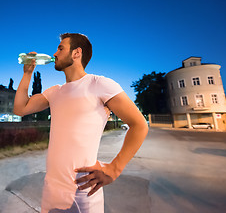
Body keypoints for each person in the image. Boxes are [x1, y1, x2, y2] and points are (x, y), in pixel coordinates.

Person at [14, 33, 148, 213]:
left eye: (60, 48)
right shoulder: (54, 92)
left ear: (77, 53)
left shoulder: (100, 84)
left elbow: (139, 124)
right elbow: (20, 109)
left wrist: (114, 168)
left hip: (82, 193)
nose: (55, 54)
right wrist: (27, 74)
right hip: (51, 190)